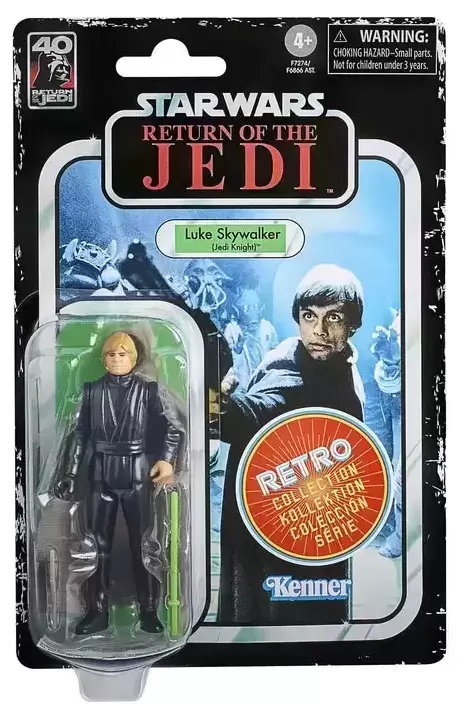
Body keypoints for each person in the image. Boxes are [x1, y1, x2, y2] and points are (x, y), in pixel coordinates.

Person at [216, 264, 365, 624]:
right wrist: (217, 403)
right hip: (272, 524)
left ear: (352, 325)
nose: (319, 330)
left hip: (317, 522)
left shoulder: (341, 368)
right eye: (309, 316)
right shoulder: (290, 367)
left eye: (333, 318)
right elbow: (252, 413)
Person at [55, 332, 183, 635]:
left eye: (122, 355)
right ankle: (96, 611)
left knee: (144, 544)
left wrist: (167, 460)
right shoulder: (91, 391)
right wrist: (70, 473)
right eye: (111, 355)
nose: (116, 360)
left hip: (138, 471)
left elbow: (172, 428)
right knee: (97, 546)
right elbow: (79, 435)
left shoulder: (149, 391)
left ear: (133, 359)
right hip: (101, 472)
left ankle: (149, 610)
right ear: (103, 359)